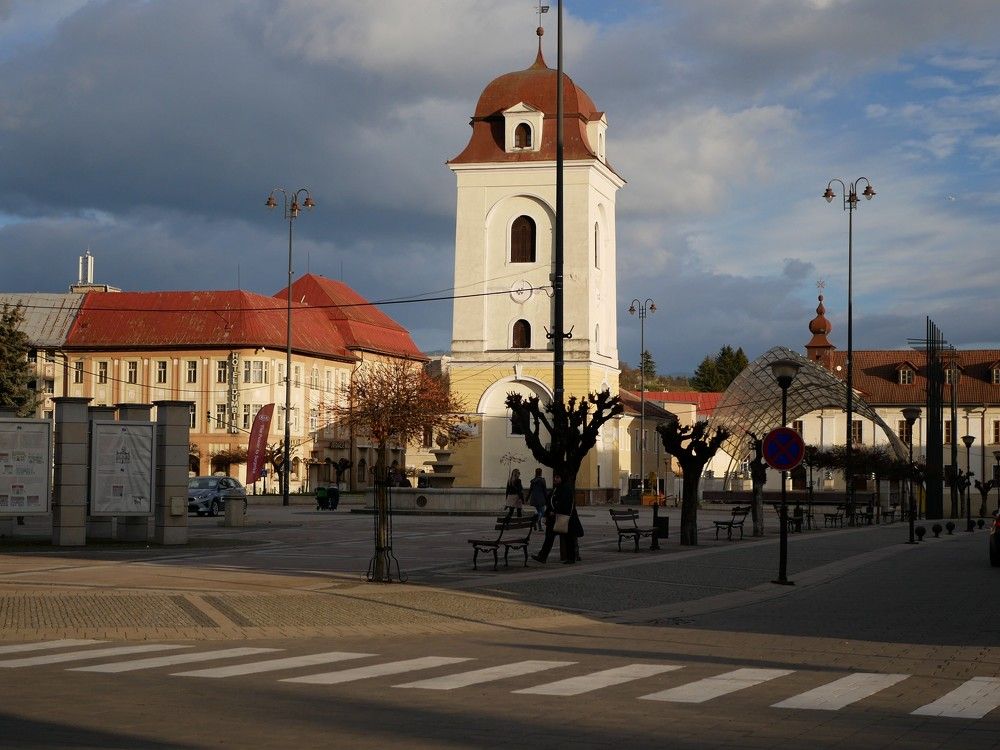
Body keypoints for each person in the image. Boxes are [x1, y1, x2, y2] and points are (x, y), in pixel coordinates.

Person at [531, 472, 583, 564]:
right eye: (555, 477)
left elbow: (565, 503)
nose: (555, 479)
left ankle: (571, 558)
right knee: (549, 537)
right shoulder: (556, 488)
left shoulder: (566, 488)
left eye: (557, 477)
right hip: (555, 518)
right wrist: (547, 513)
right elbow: (550, 501)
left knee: (568, 538)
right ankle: (542, 556)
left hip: (564, 517)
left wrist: (554, 511)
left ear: (562, 478)